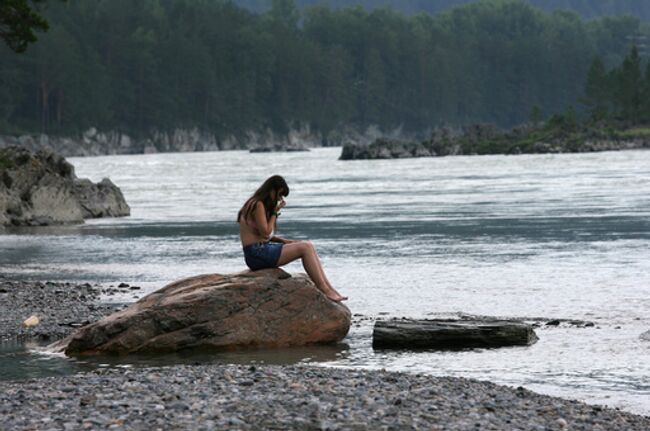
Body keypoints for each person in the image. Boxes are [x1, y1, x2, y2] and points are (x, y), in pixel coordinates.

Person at [237, 175, 348, 302]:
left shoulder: (255, 203)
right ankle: (324, 289)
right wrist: (274, 212)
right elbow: (265, 233)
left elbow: (261, 235)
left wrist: (284, 242)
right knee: (305, 247)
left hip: (258, 251)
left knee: (307, 245)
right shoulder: (258, 204)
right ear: (272, 190)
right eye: (279, 195)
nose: (280, 199)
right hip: (257, 254)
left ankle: (330, 289)